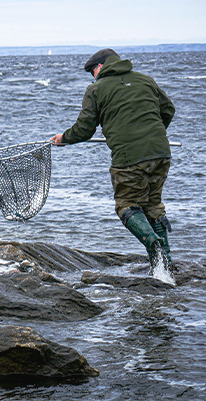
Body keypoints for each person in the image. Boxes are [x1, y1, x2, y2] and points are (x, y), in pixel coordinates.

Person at [51, 48, 176, 272]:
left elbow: (85, 129)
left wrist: (64, 138)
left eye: (93, 71)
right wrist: (152, 135)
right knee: (153, 205)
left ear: (100, 67)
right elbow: (168, 109)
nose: (93, 76)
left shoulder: (96, 89)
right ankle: (164, 268)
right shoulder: (146, 80)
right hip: (161, 152)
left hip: (129, 157)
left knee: (127, 205)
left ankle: (152, 242)